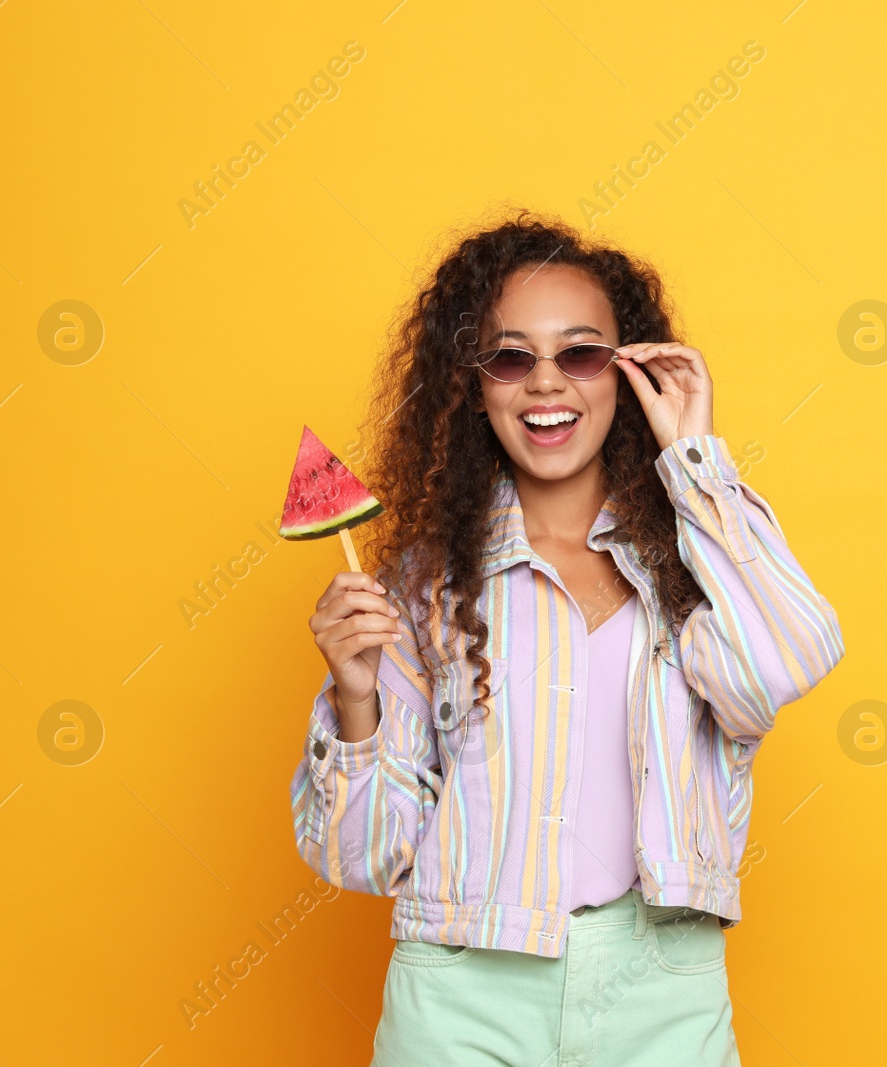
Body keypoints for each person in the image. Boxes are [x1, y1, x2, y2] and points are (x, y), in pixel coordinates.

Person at [290, 210, 846, 1066]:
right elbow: (363, 858)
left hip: (663, 982)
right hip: (461, 985)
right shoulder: (421, 585)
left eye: (581, 354)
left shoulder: (694, 563)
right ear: (473, 386)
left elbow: (784, 660)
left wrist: (695, 460)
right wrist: (356, 699)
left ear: (627, 374)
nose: (546, 384)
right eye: (512, 357)